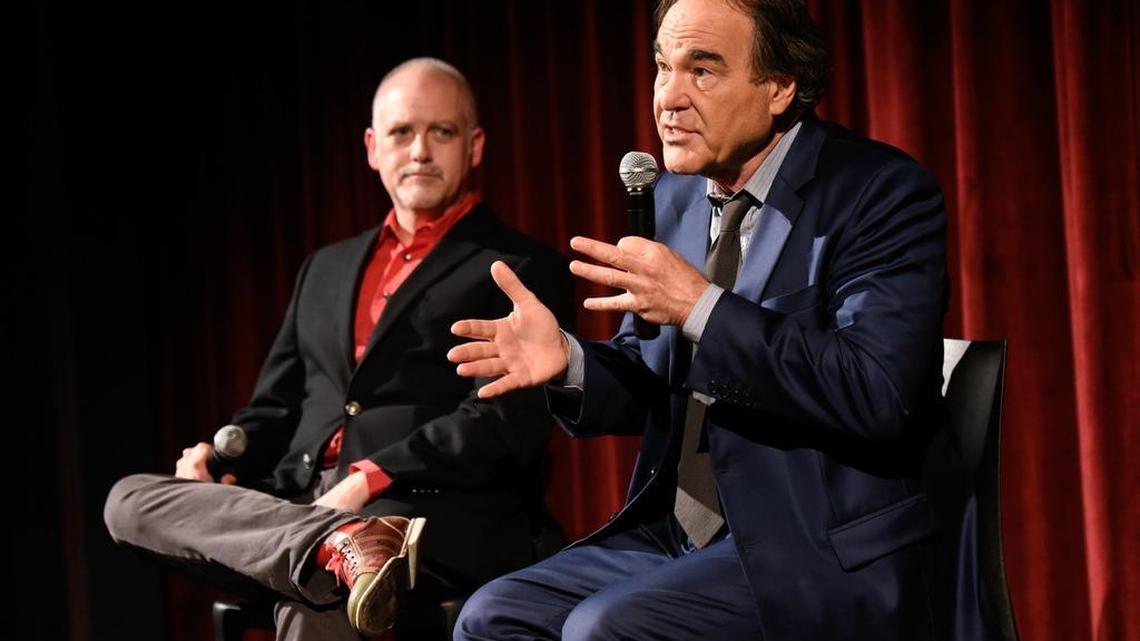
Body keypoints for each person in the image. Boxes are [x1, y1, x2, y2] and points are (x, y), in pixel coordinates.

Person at [447, 1, 965, 639]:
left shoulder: (878, 193)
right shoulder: (677, 197)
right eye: (663, 67)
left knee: (603, 629)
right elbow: (652, 376)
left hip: (817, 548)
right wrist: (570, 362)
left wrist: (701, 307)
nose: (668, 98)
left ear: (779, 87)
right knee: (492, 617)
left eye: (702, 70)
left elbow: (875, 391)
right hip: (679, 536)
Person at [103, 58, 573, 640]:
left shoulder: (518, 267)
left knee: (315, 603)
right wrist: (221, 460)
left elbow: (502, 424)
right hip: (300, 505)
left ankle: (338, 549)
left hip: (424, 511)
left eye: (442, 132)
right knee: (127, 500)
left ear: (473, 146)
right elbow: (274, 409)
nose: (420, 150)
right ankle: (333, 545)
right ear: (373, 148)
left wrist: (370, 477)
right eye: (402, 132)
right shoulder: (324, 268)